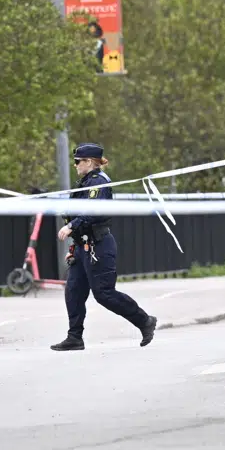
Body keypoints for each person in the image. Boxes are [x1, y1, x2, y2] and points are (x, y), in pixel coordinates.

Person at [51, 143, 157, 351]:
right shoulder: (85, 182)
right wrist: (74, 243)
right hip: (83, 247)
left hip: (98, 246)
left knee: (104, 294)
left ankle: (145, 321)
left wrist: (71, 226)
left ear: (89, 162)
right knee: (73, 291)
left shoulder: (99, 182)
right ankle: (74, 337)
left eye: (78, 161)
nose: (75, 165)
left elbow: (94, 211)